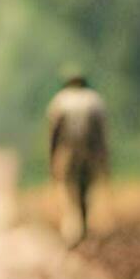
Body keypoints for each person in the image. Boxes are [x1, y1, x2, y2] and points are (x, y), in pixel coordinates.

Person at [46, 74, 109, 244]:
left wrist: (52, 157)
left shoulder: (61, 101)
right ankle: (83, 222)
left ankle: (73, 226)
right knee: (86, 188)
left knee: (68, 187)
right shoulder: (94, 100)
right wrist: (103, 157)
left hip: (68, 149)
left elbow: (54, 132)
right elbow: (100, 132)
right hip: (89, 150)